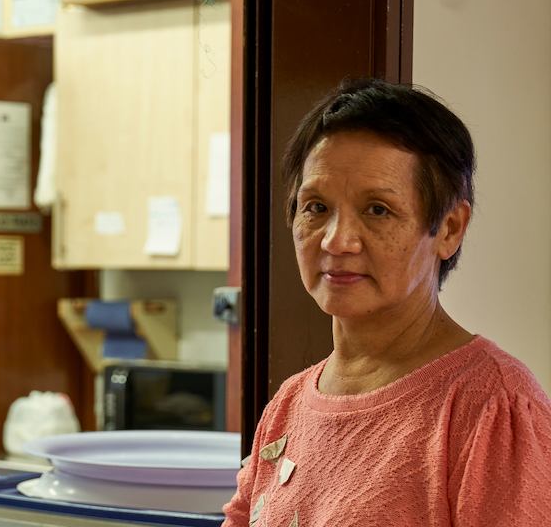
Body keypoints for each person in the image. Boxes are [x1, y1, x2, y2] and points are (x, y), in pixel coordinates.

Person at [222, 78, 551, 526]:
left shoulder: (492, 407)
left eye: (378, 209)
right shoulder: (289, 404)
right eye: (316, 207)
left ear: (450, 229)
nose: (337, 240)